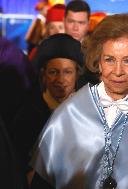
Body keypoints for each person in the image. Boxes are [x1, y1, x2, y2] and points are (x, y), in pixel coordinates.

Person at [30, 14, 128, 189]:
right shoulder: (69, 113)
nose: (118, 71)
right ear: (98, 62)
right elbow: (42, 183)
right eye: (109, 60)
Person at [11, 33, 83, 186]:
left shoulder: (88, 112)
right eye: (53, 72)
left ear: (77, 75)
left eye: (68, 72)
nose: (61, 80)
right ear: (43, 75)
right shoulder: (27, 115)